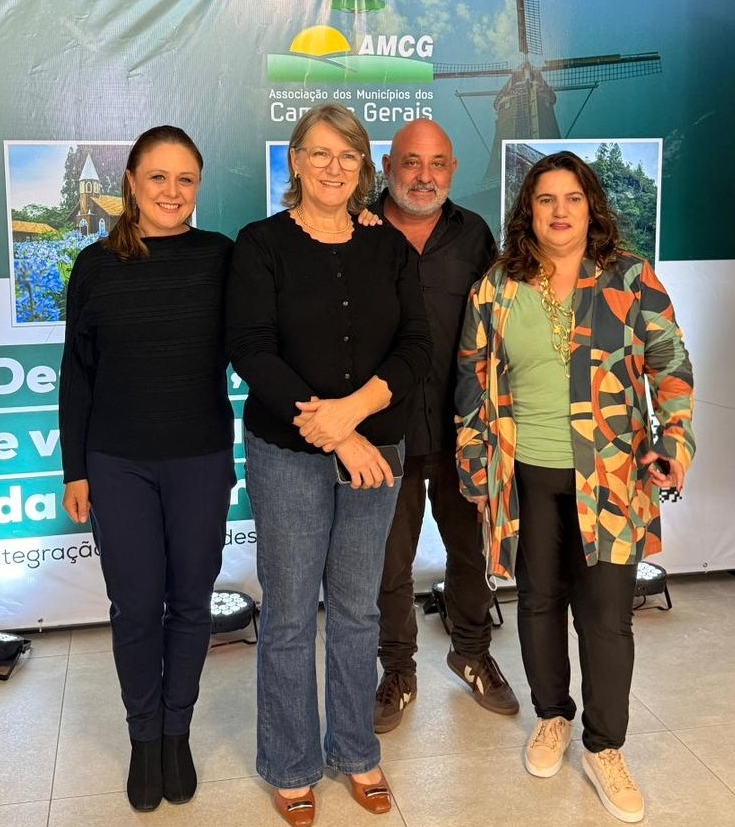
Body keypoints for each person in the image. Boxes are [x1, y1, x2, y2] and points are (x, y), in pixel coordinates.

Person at [455, 151, 694, 823]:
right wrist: (474, 466)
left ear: (591, 207)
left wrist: (674, 441)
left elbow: (670, 364)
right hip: (524, 475)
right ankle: (551, 716)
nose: (559, 211)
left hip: (611, 478)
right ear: (526, 212)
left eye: (572, 198)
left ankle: (603, 746)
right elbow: (472, 378)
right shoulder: (497, 286)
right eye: (545, 199)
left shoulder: (629, 278)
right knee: (537, 602)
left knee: (606, 616)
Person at [226, 104, 432, 826]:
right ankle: (289, 764)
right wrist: (338, 434)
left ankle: (355, 749)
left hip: (379, 450)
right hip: (289, 453)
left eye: (348, 155)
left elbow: (415, 347)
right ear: (295, 161)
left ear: (363, 167)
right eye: (319, 153)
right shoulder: (260, 245)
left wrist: (357, 411)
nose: (333, 167)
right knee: (288, 613)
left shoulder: (389, 247)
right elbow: (251, 349)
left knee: (355, 606)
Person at [58, 126, 236, 812]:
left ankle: (175, 731)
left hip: (200, 458)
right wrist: (75, 469)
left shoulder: (221, 257)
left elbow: (286, 281)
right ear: (130, 182)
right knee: (134, 606)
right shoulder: (94, 265)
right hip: (116, 462)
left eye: (185, 178)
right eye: (157, 177)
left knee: (191, 601)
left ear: (198, 186)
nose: (171, 191)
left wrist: (359, 220)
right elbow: (76, 373)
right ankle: (142, 735)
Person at [370, 118, 519, 733]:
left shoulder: (474, 234)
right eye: (411, 162)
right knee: (388, 563)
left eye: (437, 164)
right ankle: (397, 671)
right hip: (383, 434)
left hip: (465, 430)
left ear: (452, 170)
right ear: (388, 167)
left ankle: (473, 654)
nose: (424, 177)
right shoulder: (356, 230)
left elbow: (501, 327)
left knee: (469, 552)